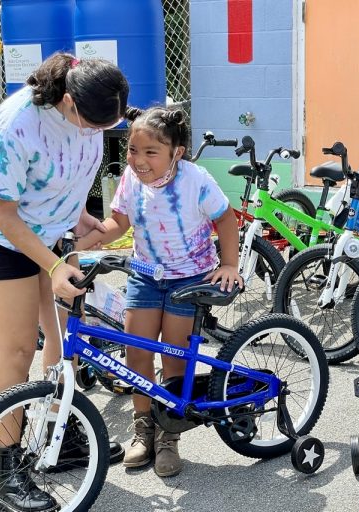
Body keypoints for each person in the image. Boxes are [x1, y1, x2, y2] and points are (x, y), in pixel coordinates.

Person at [0, 52, 128, 511]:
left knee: (61, 336)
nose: (99, 132)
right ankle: (7, 473)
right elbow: (4, 211)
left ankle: (59, 434)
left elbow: (66, 175)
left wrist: (81, 219)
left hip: (50, 231)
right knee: (17, 348)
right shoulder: (18, 125)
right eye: (94, 123)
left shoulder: (92, 115)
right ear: (70, 101)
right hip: (4, 235)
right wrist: (53, 267)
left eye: (106, 127)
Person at [77, 106, 244, 477]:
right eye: (133, 150)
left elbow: (225, 218)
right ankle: (144, 430)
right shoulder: (130, 180)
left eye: (150, 152)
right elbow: (118, 221)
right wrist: (86, 240)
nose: (138, 160)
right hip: (145, 277)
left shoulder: (195, 179)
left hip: (190, 280)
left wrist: (229, 264)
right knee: (136, 357)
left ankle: (169, 436)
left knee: (174, 360)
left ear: (176, 153)